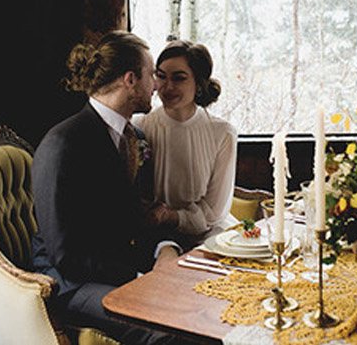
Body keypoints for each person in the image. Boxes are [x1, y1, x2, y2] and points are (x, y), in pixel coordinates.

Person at [30, 30, 183, 345]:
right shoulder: (63, 144)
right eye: (151, 75)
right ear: (130, 80)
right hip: (71, 283)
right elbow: (64, 255)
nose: (156, 85)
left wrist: (163, 249)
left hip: (116, 268)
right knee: (169, 331)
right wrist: (140, 278)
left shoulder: (132, 139)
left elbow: (135, 216)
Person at [134, 39, 238, 248]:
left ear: (199, 83)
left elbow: (214, 212)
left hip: (207, 236)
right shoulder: (140, 126)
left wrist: (171, 216)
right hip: (155, 236)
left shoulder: (222, 133)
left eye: (179, 78)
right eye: (161, 76)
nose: (167, 87)